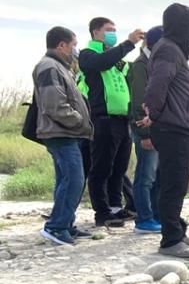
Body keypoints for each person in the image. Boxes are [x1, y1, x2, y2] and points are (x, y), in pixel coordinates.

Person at [140, 3, 189, 258]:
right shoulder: (168, 49)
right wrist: (153, 115)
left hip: (179, 127)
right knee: (172, 185)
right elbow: (157, 86)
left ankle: (176, 231)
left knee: (175, 184)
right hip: (174, 128)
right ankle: (170, 241)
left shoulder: (171, 48)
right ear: (181, 26)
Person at [78, 18, 144, 226]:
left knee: (118, 168)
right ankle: (102, 212)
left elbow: (131, 72)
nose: (112, 34)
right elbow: (101, 63)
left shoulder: (116, 59)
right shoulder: (88, 55)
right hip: (102, 120)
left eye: (115, 30)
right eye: (109, 30)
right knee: (101, 168)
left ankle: (116, 208)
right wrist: (128, 43)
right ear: (96, 32)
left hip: (122, 120)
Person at [33, 26, 93, 245]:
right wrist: (79, 121)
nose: (75, 50)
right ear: (61, 45)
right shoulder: (49, 67)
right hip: (60, 132)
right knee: (74, 180)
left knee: (66, 180)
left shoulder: (61, 67)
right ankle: (56, 227)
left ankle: (65, 224)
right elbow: (54, 105)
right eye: (73, 45)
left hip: (66, 132)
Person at [127, 26, 164, 233]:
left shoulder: (155, 64)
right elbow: (139, 102)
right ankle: (144, 218)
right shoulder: (141, 65)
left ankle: (156, 215)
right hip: (146, 130)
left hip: (159, 129)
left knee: (157, 176)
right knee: (145, 176)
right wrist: (144, 134)